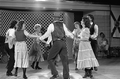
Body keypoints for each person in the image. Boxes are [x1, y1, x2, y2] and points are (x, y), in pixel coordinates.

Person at [39, 12, 74, 79]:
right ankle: (66, 77)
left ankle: (55, 74)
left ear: (53, 18)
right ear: (59, 18)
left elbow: (47, 34)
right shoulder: (63, 25)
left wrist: (40, 38)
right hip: (63, 43)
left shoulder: (51, 25)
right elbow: (67, 33)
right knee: (65, 60)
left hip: (57, 43)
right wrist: (73, 37)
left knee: (50, 58)